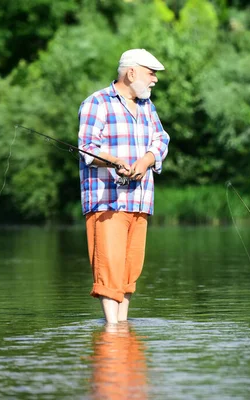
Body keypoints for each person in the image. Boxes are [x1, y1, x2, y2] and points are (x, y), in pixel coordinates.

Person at [78, 48, 170, 324]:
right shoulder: (97, 103)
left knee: (130, 269)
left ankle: (122, 327)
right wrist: (116, 161)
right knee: (109, 267)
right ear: (132, 73)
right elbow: (88, 149)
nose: (154, 80)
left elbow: (161, 139)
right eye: (151, 73)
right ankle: (112, 328)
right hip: (107, 202)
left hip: (140, 201)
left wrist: (146, 160)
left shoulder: (147, 107)